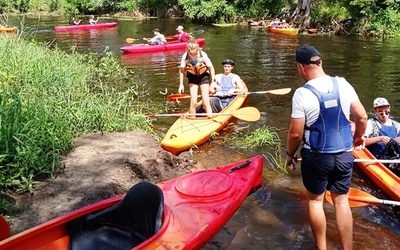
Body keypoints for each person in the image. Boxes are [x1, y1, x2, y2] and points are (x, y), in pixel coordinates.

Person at [286, 45, 367, 250]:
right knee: (341, 201)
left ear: (301, 67)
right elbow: (362, 117)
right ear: (320, 62)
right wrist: (357, 138)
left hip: (317, 157)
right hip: (344, 155)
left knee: (315, 202)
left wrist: (290, 154)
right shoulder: (343, 83)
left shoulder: (302, 94)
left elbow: (295, 133)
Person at [178, 37, 215, 117]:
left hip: (203, 77)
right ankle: (192, 119)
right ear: (188, 51)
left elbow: (211, 67)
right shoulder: (185, 56)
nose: (193, 55)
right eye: (191, 54)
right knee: (193, 102)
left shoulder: (203, 54)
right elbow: (181, 70)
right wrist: (181, 84)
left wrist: (213, 82)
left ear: (197, 49)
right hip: (192, 77)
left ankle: (210, 117)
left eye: (194, 53)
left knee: (205, 101)